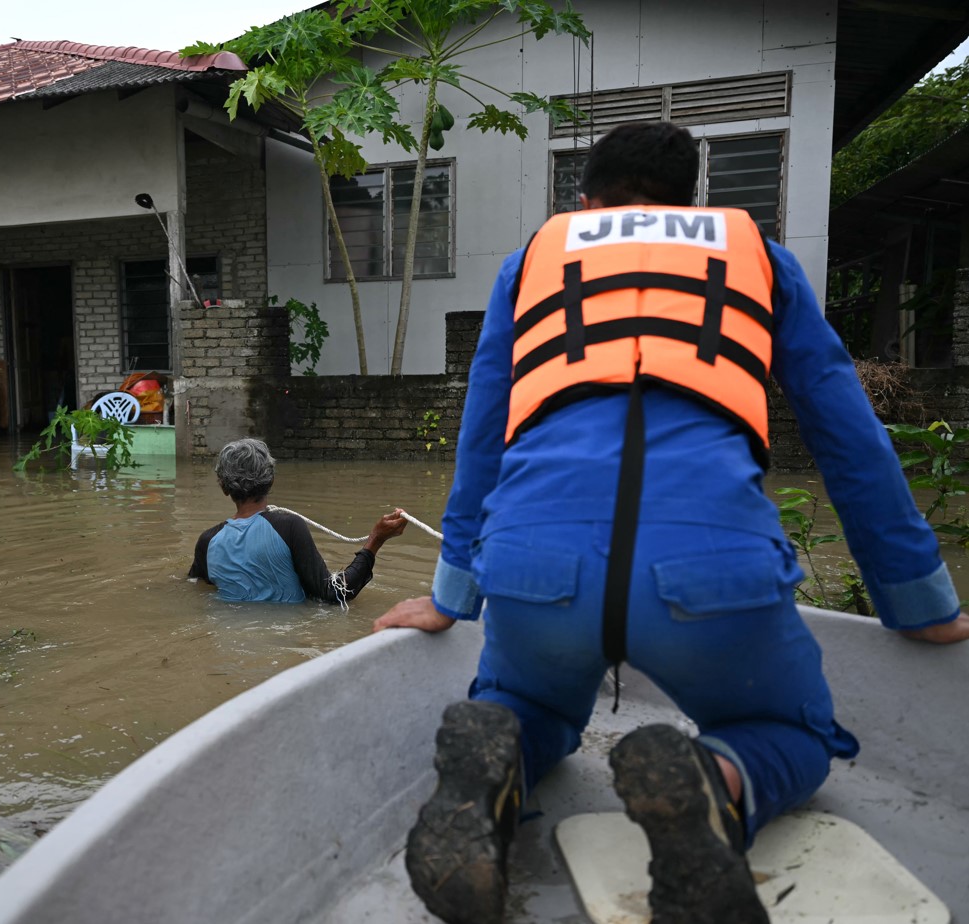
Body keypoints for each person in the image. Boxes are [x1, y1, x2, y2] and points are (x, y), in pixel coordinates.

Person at [372, 121, 969, 924]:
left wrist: (453, 596)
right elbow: (847, 436)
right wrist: (919, 603)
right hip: (711, 570)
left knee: (528, 706)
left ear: (583, 203)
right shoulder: (755, 255)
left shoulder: (535, 260)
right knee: (788, 734)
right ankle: (712, 781)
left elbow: (485, 433)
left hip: (533, 563)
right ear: (690, 203)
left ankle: (494, 768)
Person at [190, 438, 406, 604]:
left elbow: (197, 588)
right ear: (271, 479)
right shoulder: (289, 526)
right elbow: (335, 594)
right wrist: (376, 539)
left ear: (223, 487)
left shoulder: (207, 541)